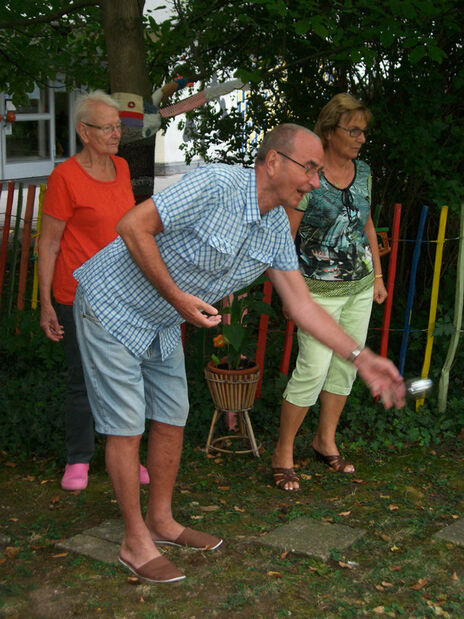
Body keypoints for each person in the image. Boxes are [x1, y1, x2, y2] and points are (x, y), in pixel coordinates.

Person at [72, 123, 404, 584]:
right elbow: (132, 226)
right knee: (126, 424)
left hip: (162, 318)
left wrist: (362, 358)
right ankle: (134, 541)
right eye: (309, 169)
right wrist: (176, 297)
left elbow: (303, 304)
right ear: (273, 162)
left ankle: (162, 522)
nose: (314, 181)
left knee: (172, 416)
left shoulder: (272, 226)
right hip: (112, 304)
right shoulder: (216, 185)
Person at [271, 94, 388, 491]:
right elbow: (286, 235)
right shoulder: (310, 176)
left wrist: (377, 277)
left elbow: (367, 225)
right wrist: (290, 294)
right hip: (315, 293)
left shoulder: (365, 171)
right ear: (330, 130)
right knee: (313, 369)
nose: (360, 138)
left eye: (363, 132)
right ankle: (283, 453)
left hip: (358, 286)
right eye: (352, 130)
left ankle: (325, 441)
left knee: (345, 367)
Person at [38, 90, 149, 491]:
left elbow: (130, 230)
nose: (117, 134)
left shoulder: (121, 168)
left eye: (119, 126)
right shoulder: (64, 177)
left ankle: (125, 454)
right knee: (83, 380)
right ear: (85, 132)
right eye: (108, 128)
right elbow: (48, 243)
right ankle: (78, 459)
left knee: (127, 377)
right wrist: (46, 302)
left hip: (122, 294)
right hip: (77, 295)